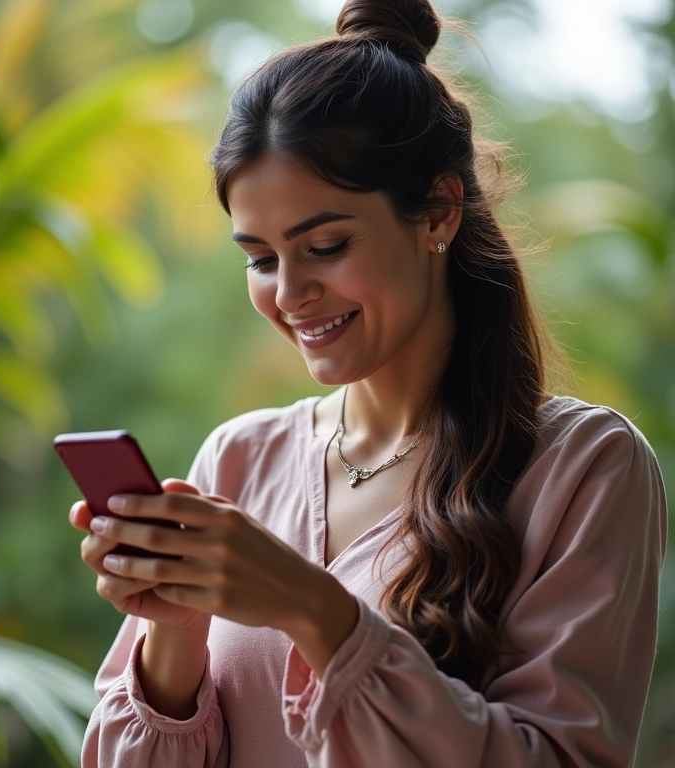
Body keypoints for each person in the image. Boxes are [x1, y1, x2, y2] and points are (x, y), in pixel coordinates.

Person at [69, 1, 668, 766]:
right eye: (260, 259)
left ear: (439, 211)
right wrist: (174, 626)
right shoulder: (240, 459)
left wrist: (313, 610)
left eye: (325, 245)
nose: (289, 294)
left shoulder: (583, 468)